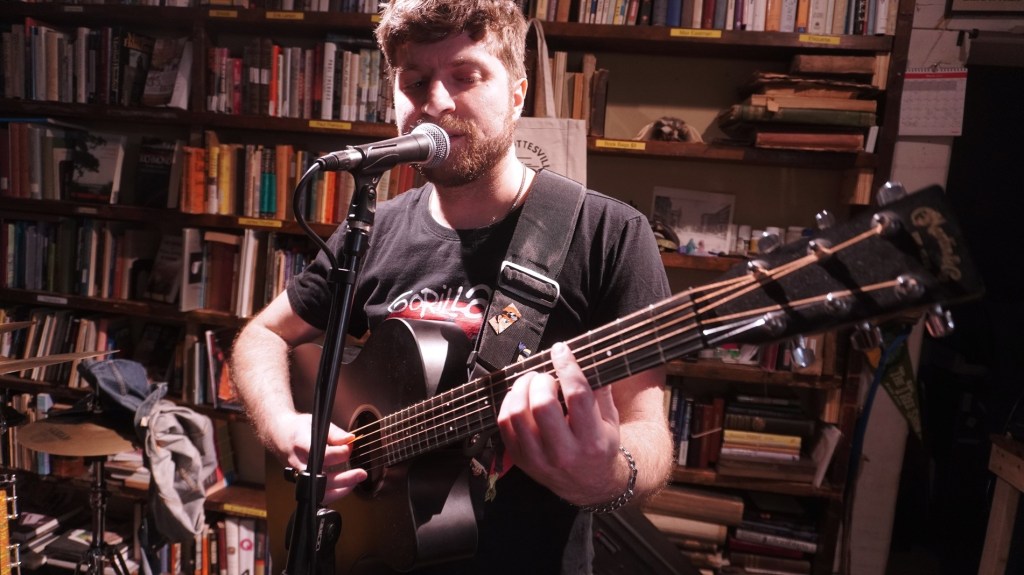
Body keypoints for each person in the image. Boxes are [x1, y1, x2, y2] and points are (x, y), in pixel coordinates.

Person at [230, 0, 674, 572]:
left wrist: (608, 475)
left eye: (466, 76)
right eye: (416, 82)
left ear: (517, 94)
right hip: (373, 556)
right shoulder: (375, 228)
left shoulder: (608, 233)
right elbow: (262, 336)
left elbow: (649, 434)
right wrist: (285, 427)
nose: (436, 102)